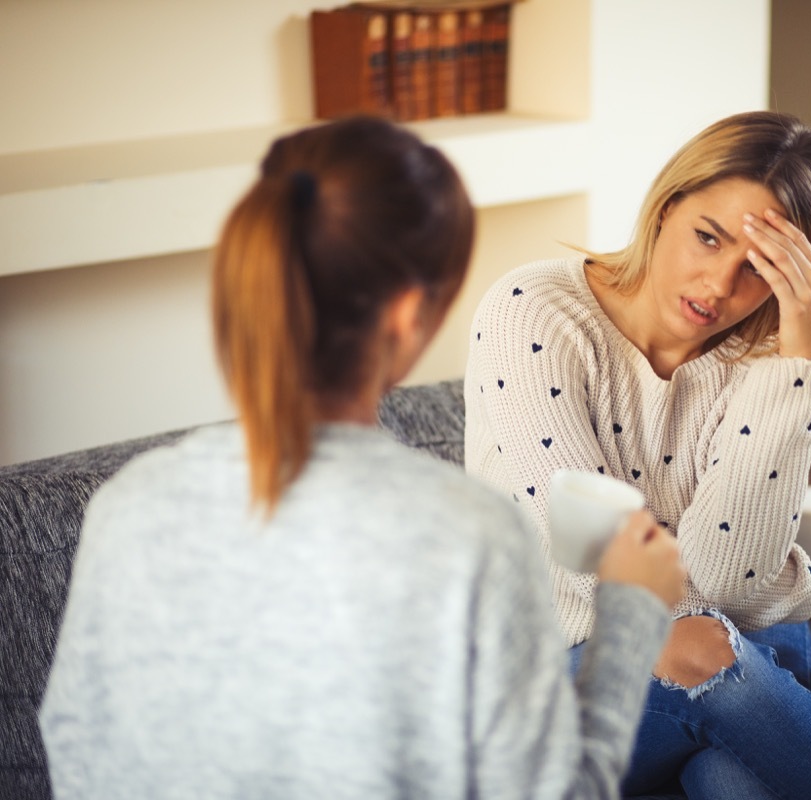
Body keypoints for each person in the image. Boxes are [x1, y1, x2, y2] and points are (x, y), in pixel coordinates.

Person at [38, 116, 686, 799]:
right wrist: (631, 613)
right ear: (408, 317)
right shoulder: (467, 534)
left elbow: (78, 753)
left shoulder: (128, 506)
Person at [464, 111, 811, 799]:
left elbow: (730, 577)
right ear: (665, 207)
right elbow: (608, 570)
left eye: (758, 270)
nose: (716, 286)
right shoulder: (532, 313)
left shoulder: (761, 367)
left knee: (730, 778)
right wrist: (805, 590)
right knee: (697, 644)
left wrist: (801, 366)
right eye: (706, 238)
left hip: (732, 658)